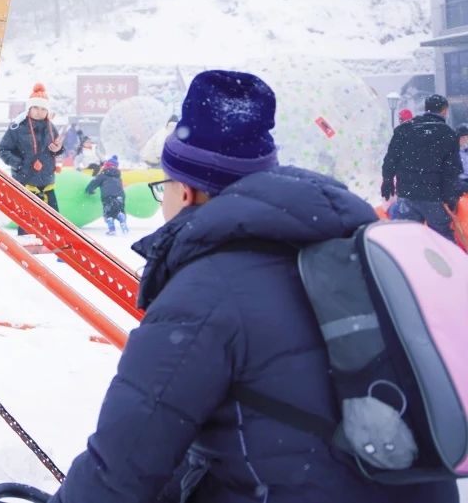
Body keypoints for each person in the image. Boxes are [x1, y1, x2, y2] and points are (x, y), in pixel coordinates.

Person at [51, 70, 455, 503]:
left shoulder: (204, 295)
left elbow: (118, 471)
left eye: (162, 184)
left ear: (185, 192)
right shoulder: (353, 249)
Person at [380, 93, 462, 242]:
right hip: (434, 197)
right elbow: (451, 171)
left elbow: (391, 158)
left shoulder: (404, 130)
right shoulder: (448, 134)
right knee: (442, 240)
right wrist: (450, 197)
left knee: (408, 239)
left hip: (407, 194)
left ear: (426, 108)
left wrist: (387, 179)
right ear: (444, 110)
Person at [0, 84, 64, 230]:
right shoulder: (17, 127)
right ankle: (26, 243)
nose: (39, 112)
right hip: (26, 182)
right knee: (27, 225)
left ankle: (56, 244)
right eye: (36, 108)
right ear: (29, 108)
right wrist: (19, 164)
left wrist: (58, 149)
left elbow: (56, 149)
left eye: (43, 109)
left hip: (47, 183)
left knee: (55, 225)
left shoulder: (51, 127)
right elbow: (3, 149)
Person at [85, 155, 128, 235]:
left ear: (106, 166)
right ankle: (121, 218)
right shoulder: (118, 177)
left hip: (108, 197)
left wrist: (89, 190)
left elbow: (94, 183)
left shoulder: (102, 175)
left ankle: (112, 230)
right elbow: (121, 188)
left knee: (108, 213)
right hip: (120, 196)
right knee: (119, 210)